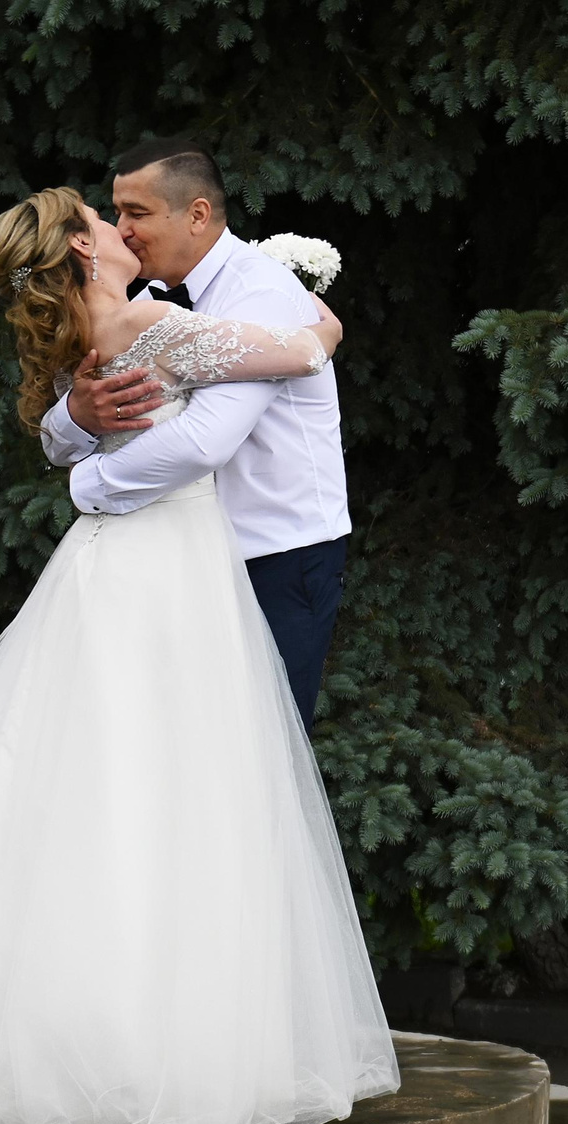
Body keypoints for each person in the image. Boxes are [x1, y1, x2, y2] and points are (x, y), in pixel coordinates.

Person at [0, 185, 399, 1124]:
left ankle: (14, 1038)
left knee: (69, 785)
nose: (125, 230)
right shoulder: (150, 323)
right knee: (166, 788)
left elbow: (72, 425)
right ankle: (152, 1044)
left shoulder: (89, 342)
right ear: (82, 244)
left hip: (116, 566)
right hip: (167, 570)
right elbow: (302, 348)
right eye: (107, 221)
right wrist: (304, 302)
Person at [44, 138, 350, 726]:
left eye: (136, 213)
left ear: (198, 214)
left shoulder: (259, 292)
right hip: (180, 557)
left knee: (261, 746)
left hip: (275, 556)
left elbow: (207, 438)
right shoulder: (144, 303)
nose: (121, 228)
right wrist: (79, 416)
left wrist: (90, 487)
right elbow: (57, 433)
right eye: (115, 213)